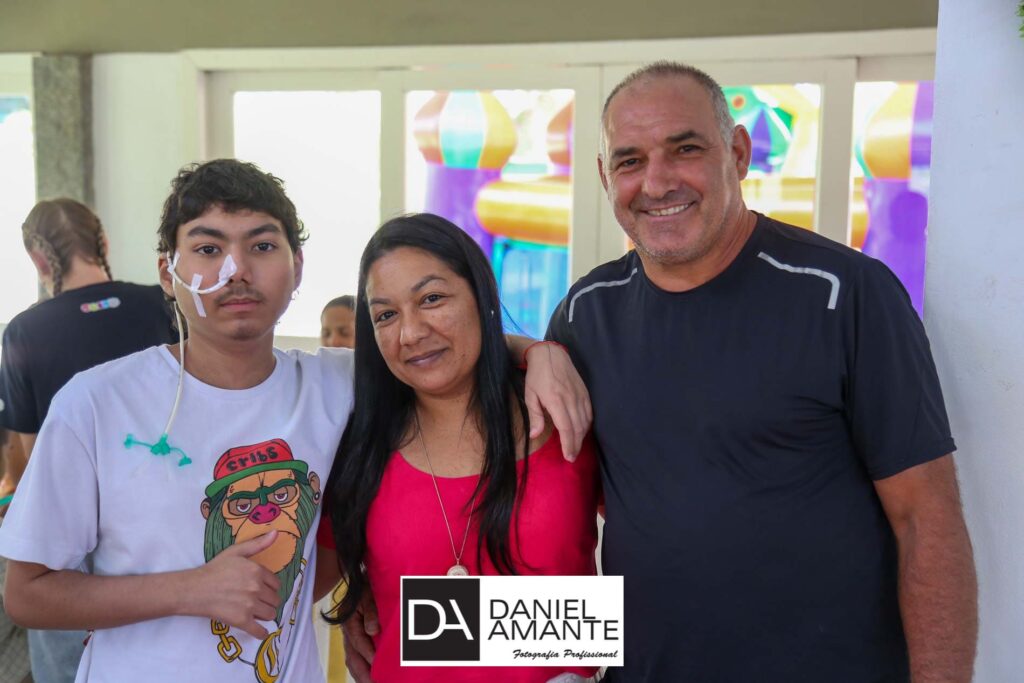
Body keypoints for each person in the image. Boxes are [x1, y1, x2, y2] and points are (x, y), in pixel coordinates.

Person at [345, 62, 979, 683]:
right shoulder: (586, 316)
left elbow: (926, 520)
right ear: (605, 176)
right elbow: (577, 620)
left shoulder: (846, 295)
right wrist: (399, 622)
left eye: (685, 149)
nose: (656, 181)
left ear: (738, 152)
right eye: (629, 161)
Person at [0, 159, 589, 683]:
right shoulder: (95, 404)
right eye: (208, 249)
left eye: (261, 246)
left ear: (297, 266)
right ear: (167, 272)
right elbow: (24, 594)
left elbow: (433, 353)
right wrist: (190, 589)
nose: (235, 270)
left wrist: (541, 353)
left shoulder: (343, 386)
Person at [323, 213, 600, 683]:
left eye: (432, 298)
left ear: (481, 294)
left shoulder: (562, 407)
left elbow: (654, 567)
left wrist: (421, 621)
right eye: (386, 315)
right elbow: (298, 586)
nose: (410, 333)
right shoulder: (357, 441)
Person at [0, 198, 177, 683]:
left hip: (71, 538)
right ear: (103, 243)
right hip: (162, 519)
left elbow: (30, 461)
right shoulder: (159, 303)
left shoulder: (25, 331)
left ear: (39, 260)